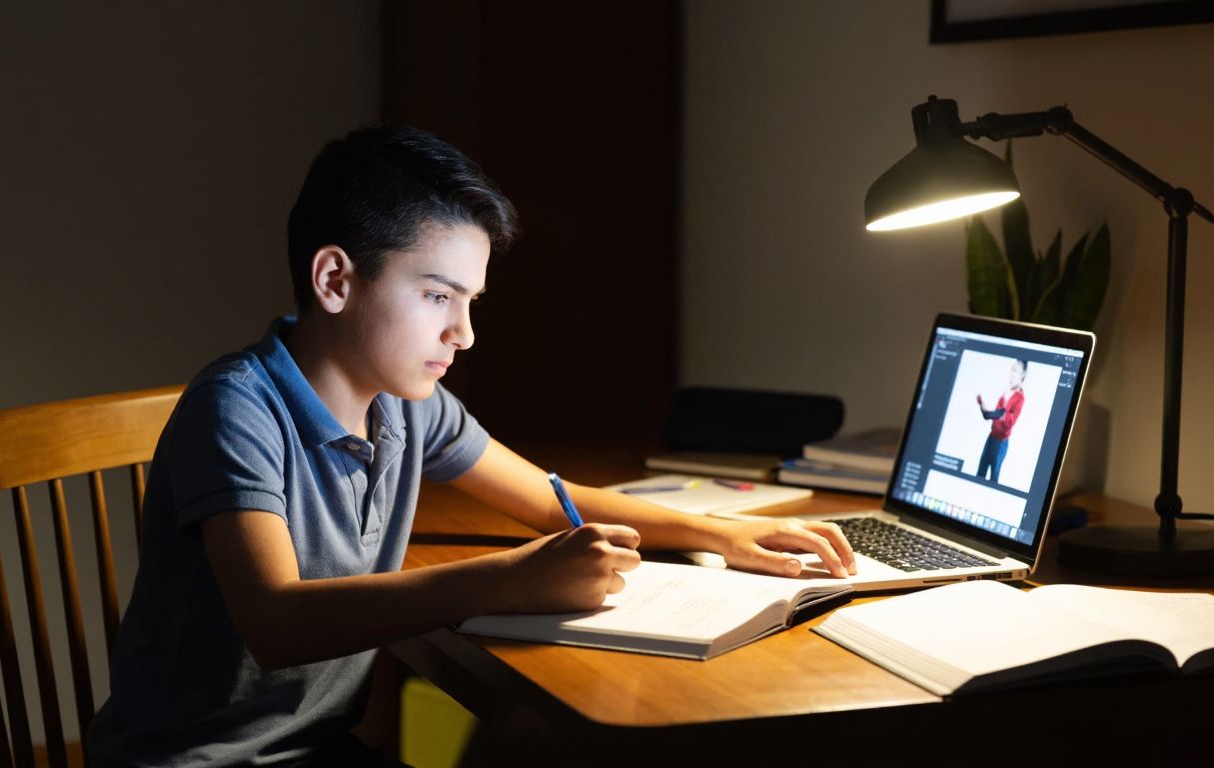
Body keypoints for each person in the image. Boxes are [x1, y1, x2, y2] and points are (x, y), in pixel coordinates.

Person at [87, 124, 855, 767]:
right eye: (437, 296)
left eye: (471, 301)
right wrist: (505, 580)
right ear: (334, 279)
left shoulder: (407, 404)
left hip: (316, 748)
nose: (465, 333)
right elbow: (279, 622)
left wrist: (724, 533)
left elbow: (550, 500)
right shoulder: (236, 408)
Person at [975, 358, 1027, 482]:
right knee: (980, 473)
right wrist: (983, 407)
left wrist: (999, 413)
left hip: (1001, 442)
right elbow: (990, 416)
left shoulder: (1019, 397)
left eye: (1015, 371)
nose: (1011, 374)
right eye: (1011, 370)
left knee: (994, 477)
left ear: (1023, 375)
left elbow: (1009, 422)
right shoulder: (1004, 395)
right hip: (991, 438)